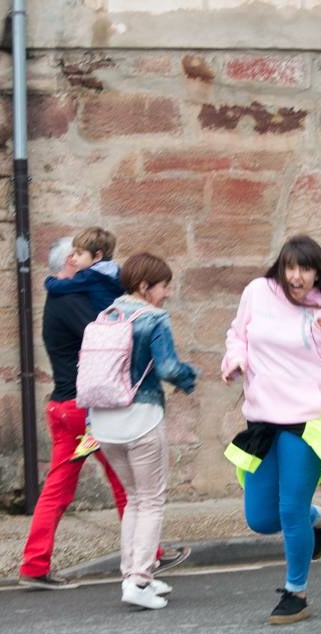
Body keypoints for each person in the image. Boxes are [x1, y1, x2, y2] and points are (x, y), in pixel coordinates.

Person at [221, 235, 321, 625]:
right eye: (290, 267)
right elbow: (238, 334)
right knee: (260, 517)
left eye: (305, 269)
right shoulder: (258, 292)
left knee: (290, 510)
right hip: (261, 419)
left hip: (306, 421)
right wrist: (234, 360)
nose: (297, 276)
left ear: (316, 273)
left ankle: (297, 592)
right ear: (281, 268)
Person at [17, 236, 129, 590]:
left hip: (63, 408)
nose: (92, 265)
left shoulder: (58, 298)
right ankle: (148, 554)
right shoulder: (71, 300)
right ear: (71, 259)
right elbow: (107, 337)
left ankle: (34, 566)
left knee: (58, 490)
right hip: (85, 413)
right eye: (82, 257)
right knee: (127, 483)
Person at [89, 253, 199, 610]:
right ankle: (139, 580)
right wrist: (190, 378)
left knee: (135, 499)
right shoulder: (154, 318)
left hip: (104, 422)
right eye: (163, 286)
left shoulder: (105, 315)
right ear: (143, 287)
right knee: (151, 501)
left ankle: (133, 574)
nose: (167, 293)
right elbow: (167, 367)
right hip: (141, 418)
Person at [43, 226, 124, 462]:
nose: (76, 260)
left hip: (62, 403)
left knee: (60, 483)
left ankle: (91, 432)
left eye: (80, 254)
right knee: (122, 478)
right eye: (75, 255)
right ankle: (91, 432)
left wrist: (48, 281)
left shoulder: (79, 285)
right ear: (69, 259)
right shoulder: (111, 276)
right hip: (77, 403)